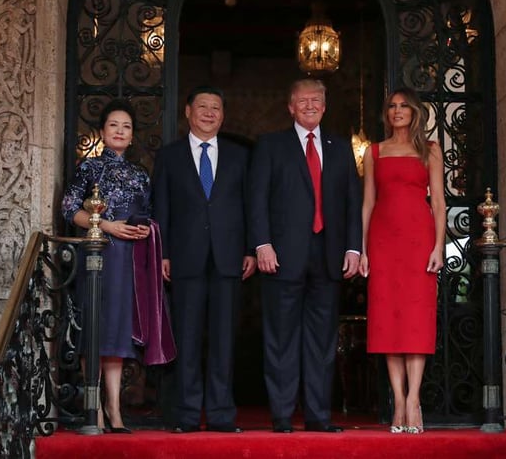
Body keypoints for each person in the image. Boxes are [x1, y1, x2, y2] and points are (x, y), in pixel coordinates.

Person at [247, 78, 362, 434]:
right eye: (302, 100)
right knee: (280, 338)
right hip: (281, 255)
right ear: (290, 106)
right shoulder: (270, 145)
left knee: (321, 341)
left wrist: (354, 248)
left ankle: (318, 415)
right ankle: (282, 414)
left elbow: (351, 203)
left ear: (325, 106)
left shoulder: (341, 148)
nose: (309, 105)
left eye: (316, 100)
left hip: (328, 256)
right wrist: (262, 244)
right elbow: (257, 199)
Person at [152, 86, 255, 434]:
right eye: (202, 107)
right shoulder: (169, 156)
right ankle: (186, 414)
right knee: (187, 337)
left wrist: (251, 249)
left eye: (216, 108)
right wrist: (162, 252)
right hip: (184, 257)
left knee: (224, 340)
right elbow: (161, 208)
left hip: (229, 258)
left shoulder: (240, 156)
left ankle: (222, 414)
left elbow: (250, 207)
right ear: (187, 111)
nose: (209, 113)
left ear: (223, 115)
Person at [61, 98, 158, 434]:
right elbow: (69, 209)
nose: (120, 131)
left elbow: (148, 212)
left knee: (117, 333)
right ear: (102, 132)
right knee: (95, 329)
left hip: (129, 259)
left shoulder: (140, 174)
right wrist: (106, 226)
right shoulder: (89, 168)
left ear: (132, 137)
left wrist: (145, 229)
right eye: (114, 125)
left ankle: (114, 410)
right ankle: (94, 410)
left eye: (126, 126)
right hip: (98, 255)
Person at [358, 88, 446, 434]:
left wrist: (439, 246)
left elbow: (438, 203)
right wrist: (363, 248)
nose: (397, 111)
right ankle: (398, 400)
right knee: (387, 320)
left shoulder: (431, 151)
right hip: (383, 242)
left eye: (403, 106)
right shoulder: (373, 151)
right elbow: (368, 203)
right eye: (392, 106)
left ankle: (414, 400)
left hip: (419, 241)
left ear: (414, 112)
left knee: (415, 320)